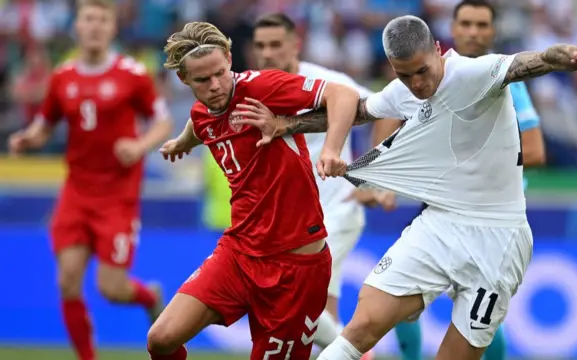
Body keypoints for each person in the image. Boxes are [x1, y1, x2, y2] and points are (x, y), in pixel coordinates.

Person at [230, 15, 577, 360]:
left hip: (499, 237)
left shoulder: (473, 72)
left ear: (438, 51)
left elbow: (533, 60)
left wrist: (571, 55)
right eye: (405, 75)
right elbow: (357, 111)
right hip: (439, 225)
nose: (417, 84)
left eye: (423, 71)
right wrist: (285, 126)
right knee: (360, 326)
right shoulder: (404, 90)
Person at [148, 21, 361, 360]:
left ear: (230, 59)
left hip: (296, 266)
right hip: (239, 253)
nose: (216, 85)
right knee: (161, 339)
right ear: (183, 80)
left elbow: (344, 95)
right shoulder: (201, 112)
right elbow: (200, 121)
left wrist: (331, 149)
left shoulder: (263, 87)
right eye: (203, 80)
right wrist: (181, 142)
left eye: (220, 73)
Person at [369, 2, 546, 359]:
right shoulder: (421, 75)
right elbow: (384, 122)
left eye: (482, 25)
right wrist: (381, 180)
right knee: (401, 294)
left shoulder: (505, 77)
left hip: (493, 217)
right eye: (465, 23)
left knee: (478, 315)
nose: (473, 32)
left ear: (493, 32)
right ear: (449, 31)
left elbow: (537, 151)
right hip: (442, 203)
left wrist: (478, 163)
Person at [6, 1, 173, 360]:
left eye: (102, 20)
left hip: (118, 196)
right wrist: (29, 138)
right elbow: (46, 123)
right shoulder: (63, 76)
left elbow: (162, 122)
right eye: (88, 19)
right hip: (76, 192)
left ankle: (149, 297)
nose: (95, 26)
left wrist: (140, 144)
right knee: (67, 280)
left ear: (113, 28)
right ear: (77, 26)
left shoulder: (133, 75)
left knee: (111, 289)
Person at [252, 12, 385, 357]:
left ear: (295, 44)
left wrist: (370, 175)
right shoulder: (253, 91)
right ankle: (356, 351)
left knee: (303, 309)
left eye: (276, 44)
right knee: (320, 316)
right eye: (261, 46)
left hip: (335, 210)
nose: (267, 53)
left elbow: (388, 111)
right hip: (291, 222)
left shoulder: (326, 82)